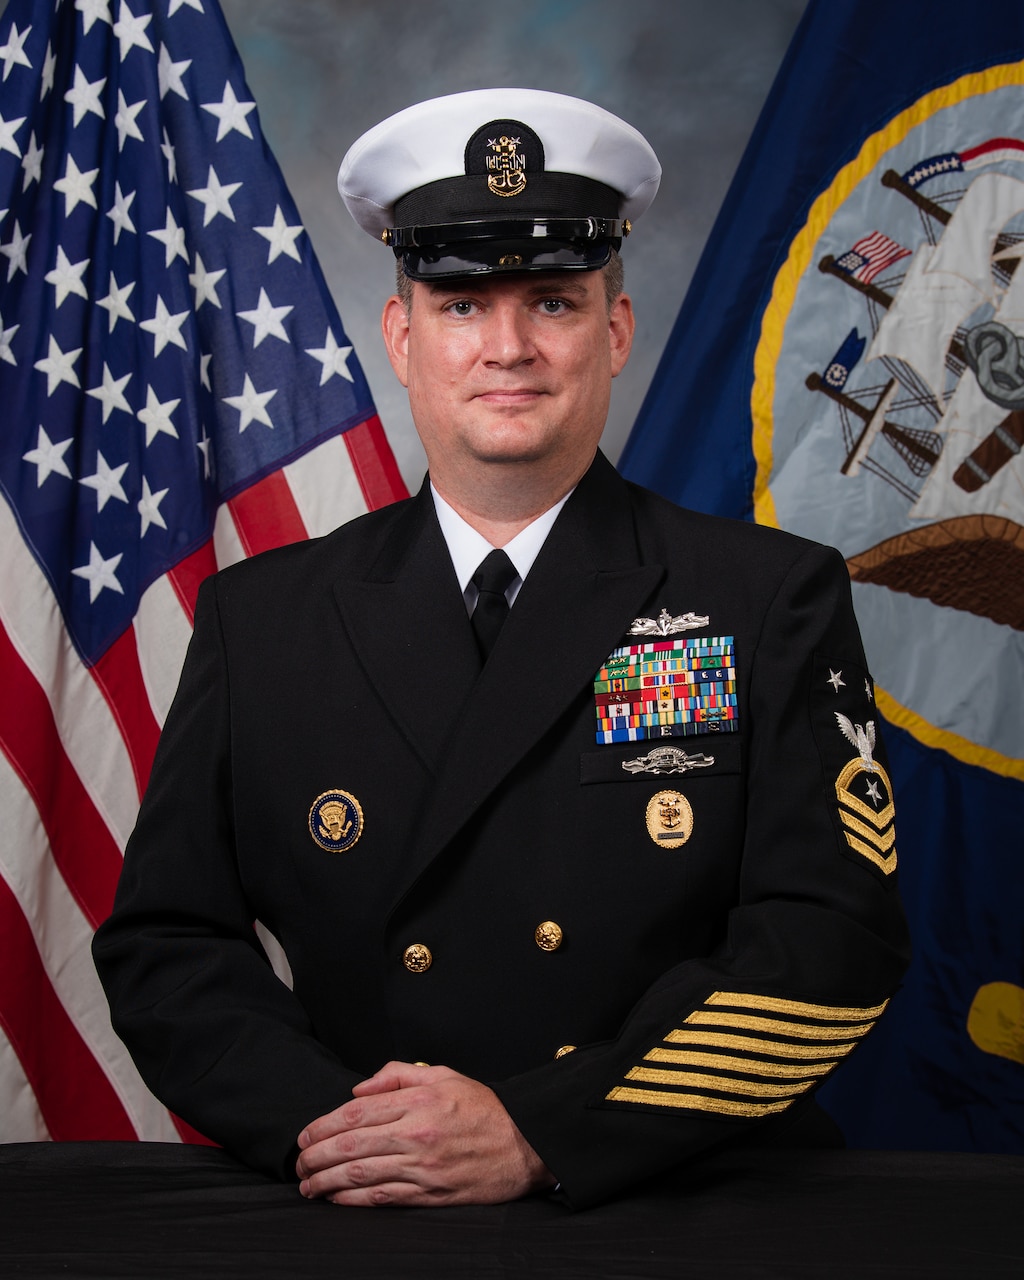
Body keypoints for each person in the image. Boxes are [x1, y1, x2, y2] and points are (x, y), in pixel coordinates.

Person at [93, 88, 910, 1211]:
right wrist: (351, 1135)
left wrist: (541, 1130)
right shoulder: (261, 617)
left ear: (614, 331)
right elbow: (168, 943)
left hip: (673, 1197)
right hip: (366, 1200)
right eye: (462, 305)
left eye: (554, 302)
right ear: (403, 336)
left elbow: (831, 941)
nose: (509, 346)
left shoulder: (766, 596)